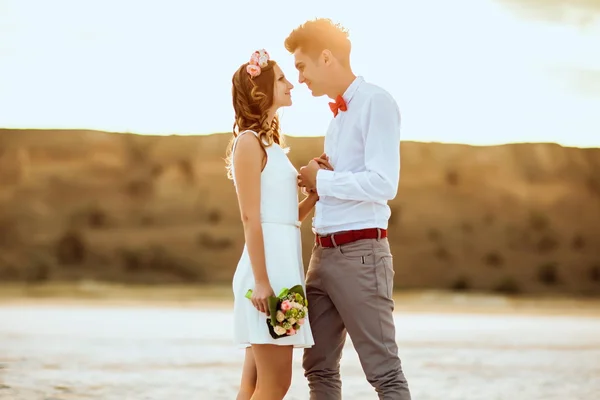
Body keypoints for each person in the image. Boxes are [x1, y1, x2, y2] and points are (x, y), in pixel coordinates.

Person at [284, 19, 412, 400]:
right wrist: (319, 177)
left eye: (302, 66)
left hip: (360, 255)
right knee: (318, 366)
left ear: (326, 57)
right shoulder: (337, 118)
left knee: (384, 371)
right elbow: (349, 180)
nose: (301, 78)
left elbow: (383, 184)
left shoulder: (376, 102)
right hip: (321, 254)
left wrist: (319, 181)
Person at [227, 49, 316, 400]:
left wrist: (316, 193)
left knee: (254, 385)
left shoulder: (273, 146)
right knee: (276, 384)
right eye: (281, 79)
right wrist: (263, 282)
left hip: (282, 271)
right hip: (266, 279)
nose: (291, 84)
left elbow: (284, 220)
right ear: (262, 90)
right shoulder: (248, 143)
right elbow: (250, 217)